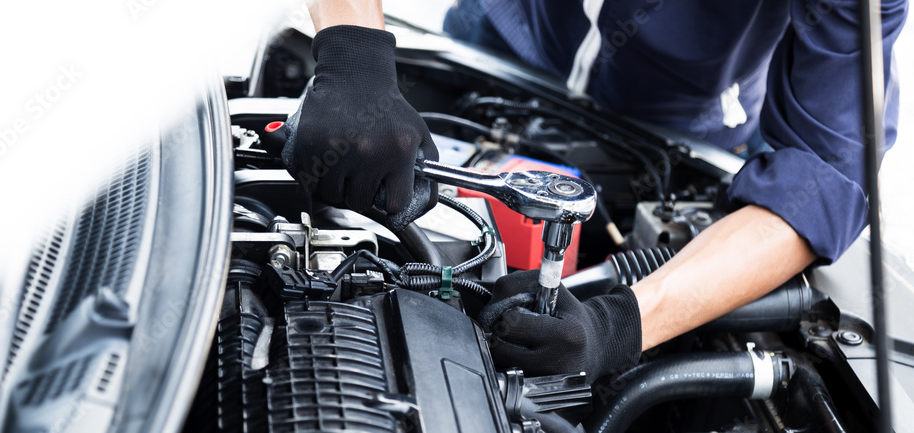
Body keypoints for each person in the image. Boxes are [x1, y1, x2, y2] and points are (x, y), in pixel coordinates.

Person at [282, 0, 906, 381]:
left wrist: (622, 325)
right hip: (505, 37)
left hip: (677, 120)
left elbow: (828, 169)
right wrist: (354, 52)